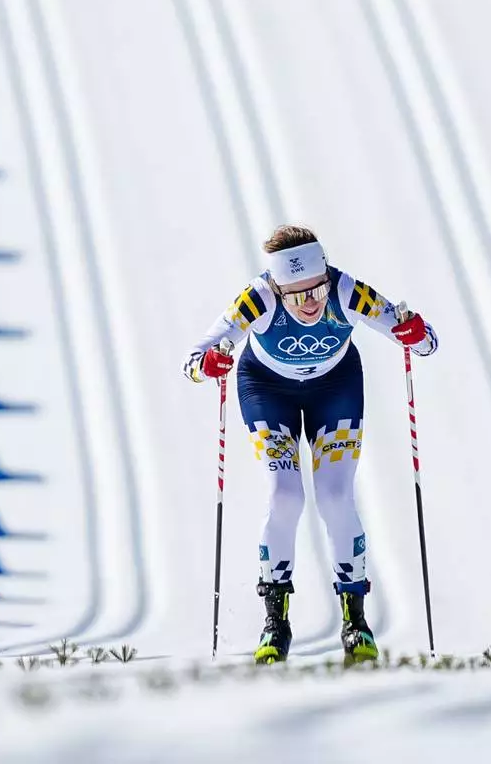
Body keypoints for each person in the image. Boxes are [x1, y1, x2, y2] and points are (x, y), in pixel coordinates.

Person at [182, 225, 438, 664]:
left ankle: (355, 621)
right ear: (277, 289)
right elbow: (192, 364)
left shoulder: (345, 291)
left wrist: (415, 333)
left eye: (316, 290)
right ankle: (275, 622)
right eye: (297, 297)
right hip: (266, 389)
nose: (312, 303)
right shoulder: (256, 300)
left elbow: (426, 341)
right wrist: (210, 363)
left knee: (336, 496)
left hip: (334, 387)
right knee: (285, 494)